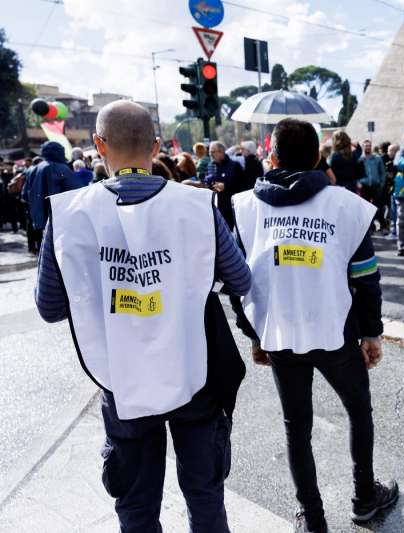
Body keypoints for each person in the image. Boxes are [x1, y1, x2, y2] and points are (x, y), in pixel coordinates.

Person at [34, 100, 252, 532]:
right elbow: (241, 280)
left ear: (98, 145)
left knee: (136, 508)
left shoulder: (68, 215)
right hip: (195, 375)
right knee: (206, 501)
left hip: (122, 380)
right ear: (155, 146)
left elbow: (50, 308)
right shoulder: (197, 206)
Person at [231, 118, 399, 533]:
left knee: (297, 428)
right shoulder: (345, 206)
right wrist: (371, 332)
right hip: (335, 330)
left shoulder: (246, 207)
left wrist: (253, 335)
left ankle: (313, 517)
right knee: (359, 411)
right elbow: (365, 277)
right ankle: (364, 497)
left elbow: (237, 280)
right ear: (318, 156)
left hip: (280, 334)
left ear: (271, 157)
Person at [21, 141, 75, 253]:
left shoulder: (33, 169)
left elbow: (25, 194)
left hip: (40, 222)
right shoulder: (61, 168)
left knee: (45, 257)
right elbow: (78, 192)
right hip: (60, 221)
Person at [206, 141, 245, 229]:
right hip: (217, 210)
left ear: (221, 152)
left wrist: (226, 186)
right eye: (209, 152)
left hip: (232, 210)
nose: (210, 155)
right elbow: (208, 182)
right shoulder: (210, 166)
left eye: (212, 152)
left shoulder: (235, 166)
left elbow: (243, 186)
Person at [358, 139, 387, 230]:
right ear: (363, 147)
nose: (367, 147)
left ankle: (383, 225)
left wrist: (381, 184)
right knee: (366, 208)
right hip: (364, 186)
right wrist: (359, 183)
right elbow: (356, 173)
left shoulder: (377, 158)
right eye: (366, 146)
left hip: (376, 186)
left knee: (378, 207)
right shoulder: (360, 159)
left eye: (369, 146)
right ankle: (370, 226)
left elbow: (383, 173)